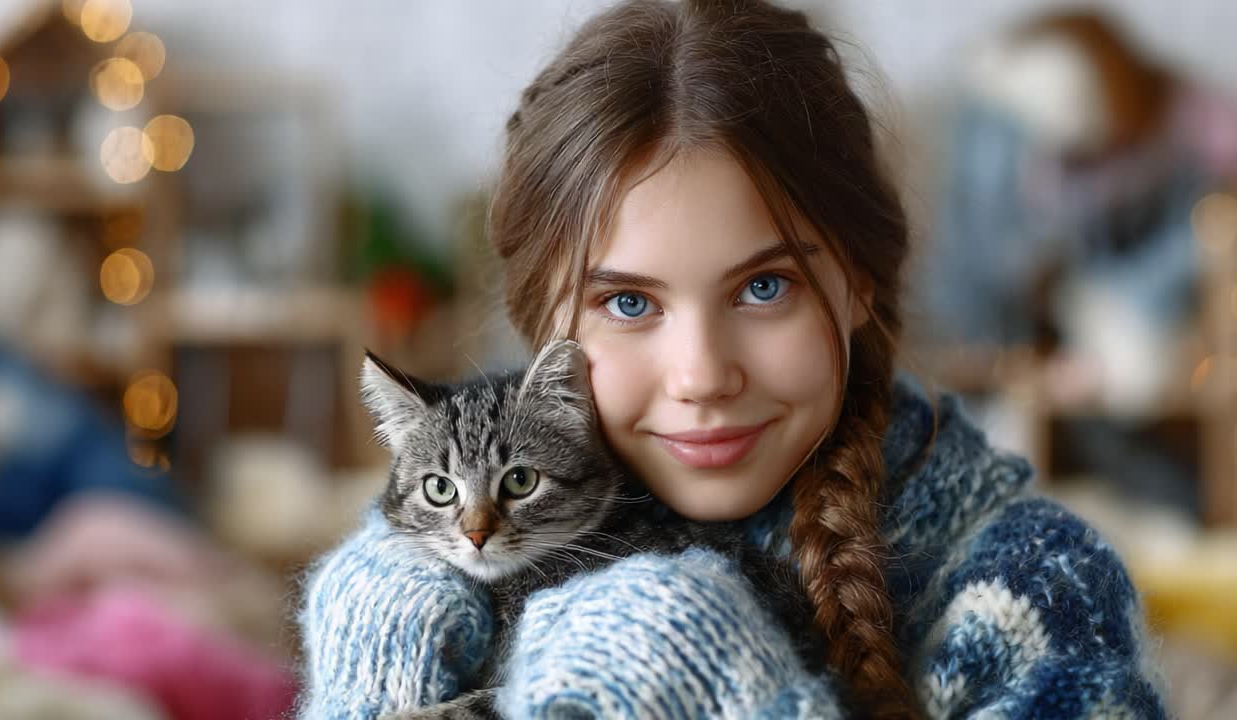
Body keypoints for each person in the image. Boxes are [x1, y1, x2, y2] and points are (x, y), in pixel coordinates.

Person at [298, 1, 1168, 718]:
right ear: (543, 330)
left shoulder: (1039, 585)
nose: (702, 374)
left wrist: (720, 682)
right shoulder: (414, 577)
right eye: (628, 303)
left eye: (763, 290)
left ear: (859, 279)